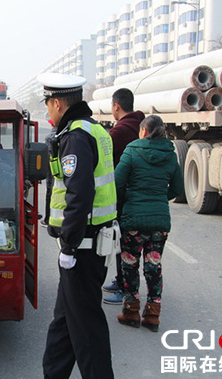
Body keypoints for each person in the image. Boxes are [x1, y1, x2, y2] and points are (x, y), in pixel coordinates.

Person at [40, 73, 116, 379]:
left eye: (47, 105)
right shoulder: (92, 129)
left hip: (82, 249)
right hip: (85, 246)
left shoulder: (75, 136)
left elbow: (79, 193)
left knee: (86, 330)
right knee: (64, 323)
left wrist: (69, 246)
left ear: (57, 103)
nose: (47, 112)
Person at [114, 115, 183, 332]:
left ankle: (131, 312)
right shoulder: (170, 155)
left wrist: (125, 202)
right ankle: (153, 315)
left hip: (133, 219)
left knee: (130, 264)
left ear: (143, 131)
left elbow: (117, 182)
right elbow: (177, 189)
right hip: (159, 221)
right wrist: (160, 198)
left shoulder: (132, 150)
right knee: (154, 266)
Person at [102, 88, 145, 305]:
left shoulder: (120, 131)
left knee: (123, 242)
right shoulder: (140, 126)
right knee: (129, 243)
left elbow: (102, 155)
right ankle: (121, 281)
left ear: (116, 106)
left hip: (124, 195)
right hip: (138, 194)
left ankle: (125, 288)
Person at [39, 118, 56, 228]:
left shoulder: (50, 138)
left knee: (50, 193)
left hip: (52, 171)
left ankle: (47, 220)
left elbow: (47, 157)